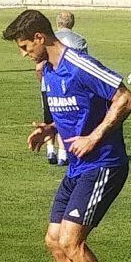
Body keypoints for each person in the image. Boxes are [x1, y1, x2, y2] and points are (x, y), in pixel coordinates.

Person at [2, 9, 131, 262]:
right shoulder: (46, 70)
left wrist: (95, 136)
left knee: (73, 241)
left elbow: (125, 98)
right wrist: (49, 129)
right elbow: (71, 112)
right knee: (54, 241)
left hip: (103, 165)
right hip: (76, 169)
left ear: (40, 38)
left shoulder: (79, 64)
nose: (23, 53)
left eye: (24, 46)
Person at [39, 11, 90, 165]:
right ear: (72, 23)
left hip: (48, 84)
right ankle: (63, 153)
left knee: (49, 117)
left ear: (57, 23)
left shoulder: (48, 39)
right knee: (65, 117)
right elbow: (84, 65)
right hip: (70, 85)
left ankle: (50, 150)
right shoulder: (80, 40)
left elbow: (40, 65)